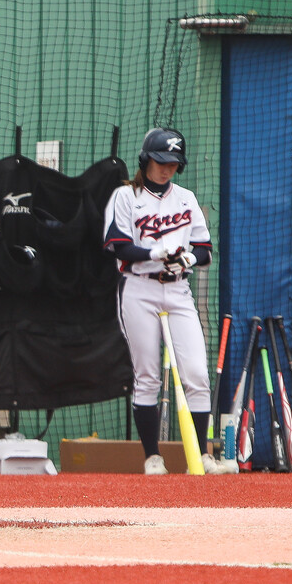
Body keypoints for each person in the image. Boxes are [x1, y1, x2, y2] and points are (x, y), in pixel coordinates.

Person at [103, 128, 228, 474]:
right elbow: (119, 246)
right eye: (160, 161)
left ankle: (201, 457)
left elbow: (204, 250)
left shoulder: (185, 198)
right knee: (147, 376)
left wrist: (187, 259)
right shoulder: (125, 196)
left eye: (173, 163)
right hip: (138, 287)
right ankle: (152, 458)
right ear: (146, 160)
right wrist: (155, 251)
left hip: (177, 289)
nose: (166, 169)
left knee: (197, 374)